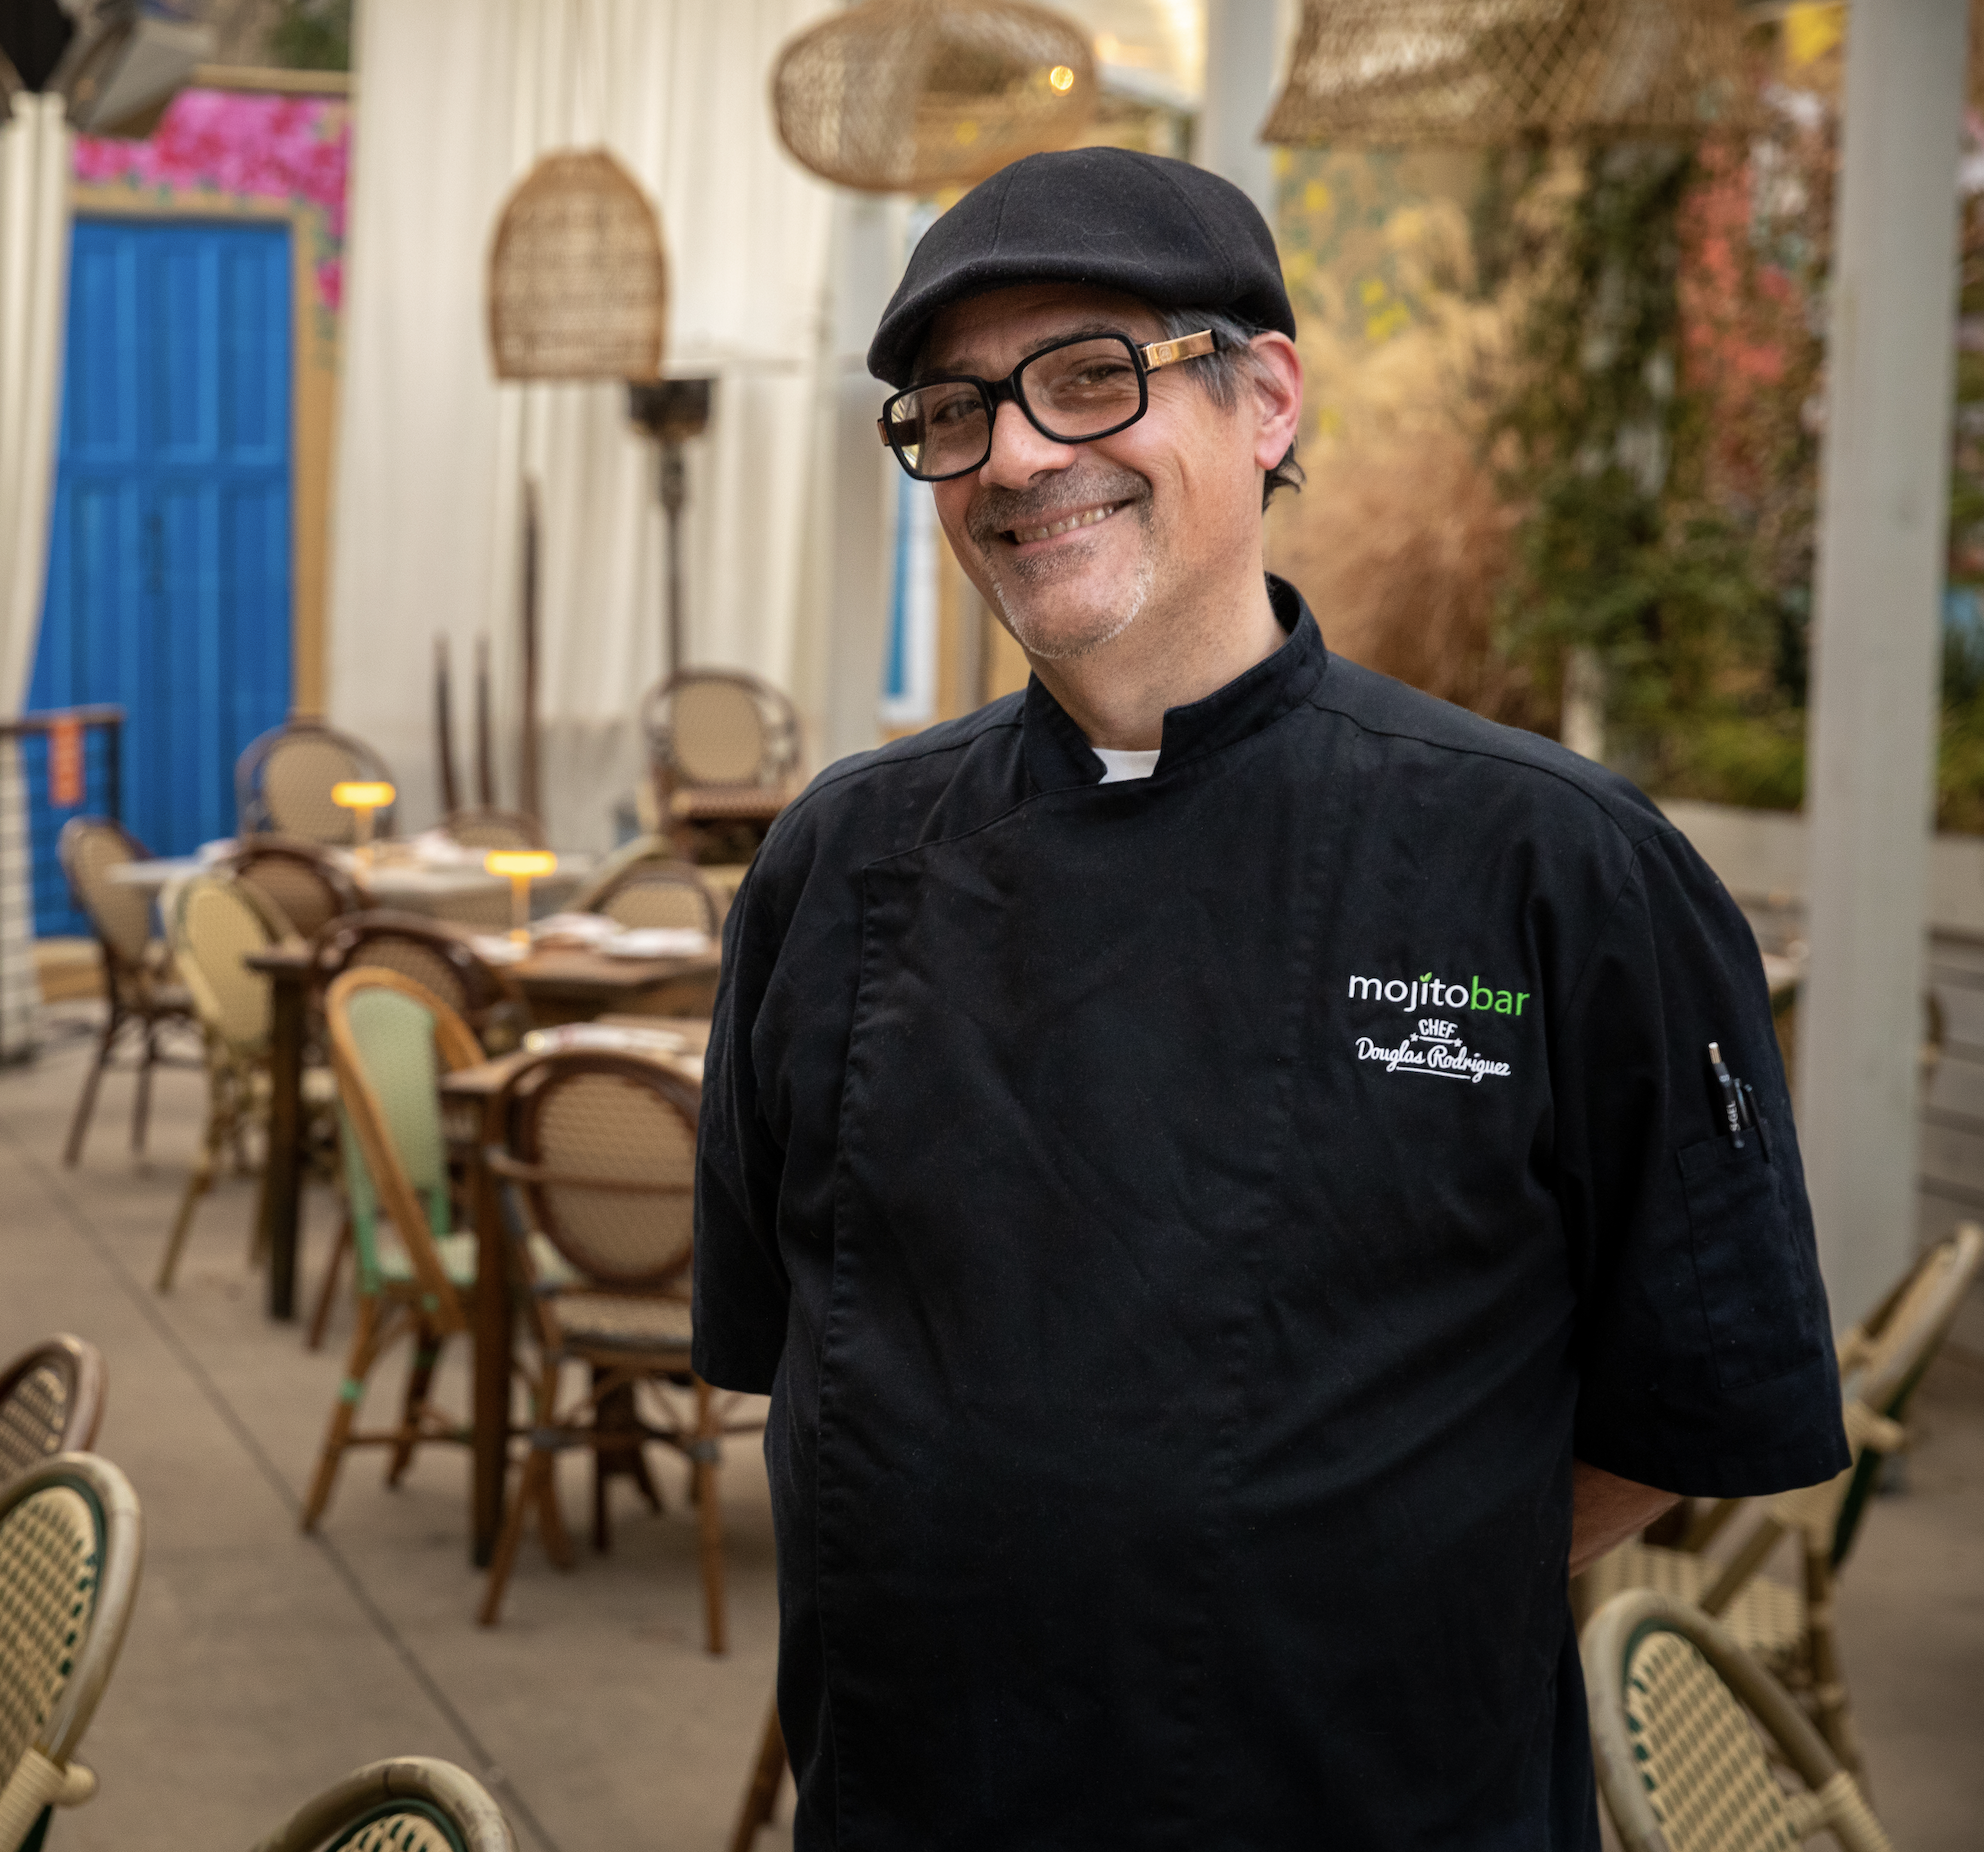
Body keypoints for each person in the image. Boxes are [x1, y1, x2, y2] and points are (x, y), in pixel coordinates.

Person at [693, 147, 1848, 1849]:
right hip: (919, 1799)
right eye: (950, 413)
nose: (1014, 456)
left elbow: (1687, 1404)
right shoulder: (837, 861)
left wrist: (1349, 1592)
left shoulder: (1558, 864)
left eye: (1091, 377)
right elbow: (788, 1361)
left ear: (1266, 401)